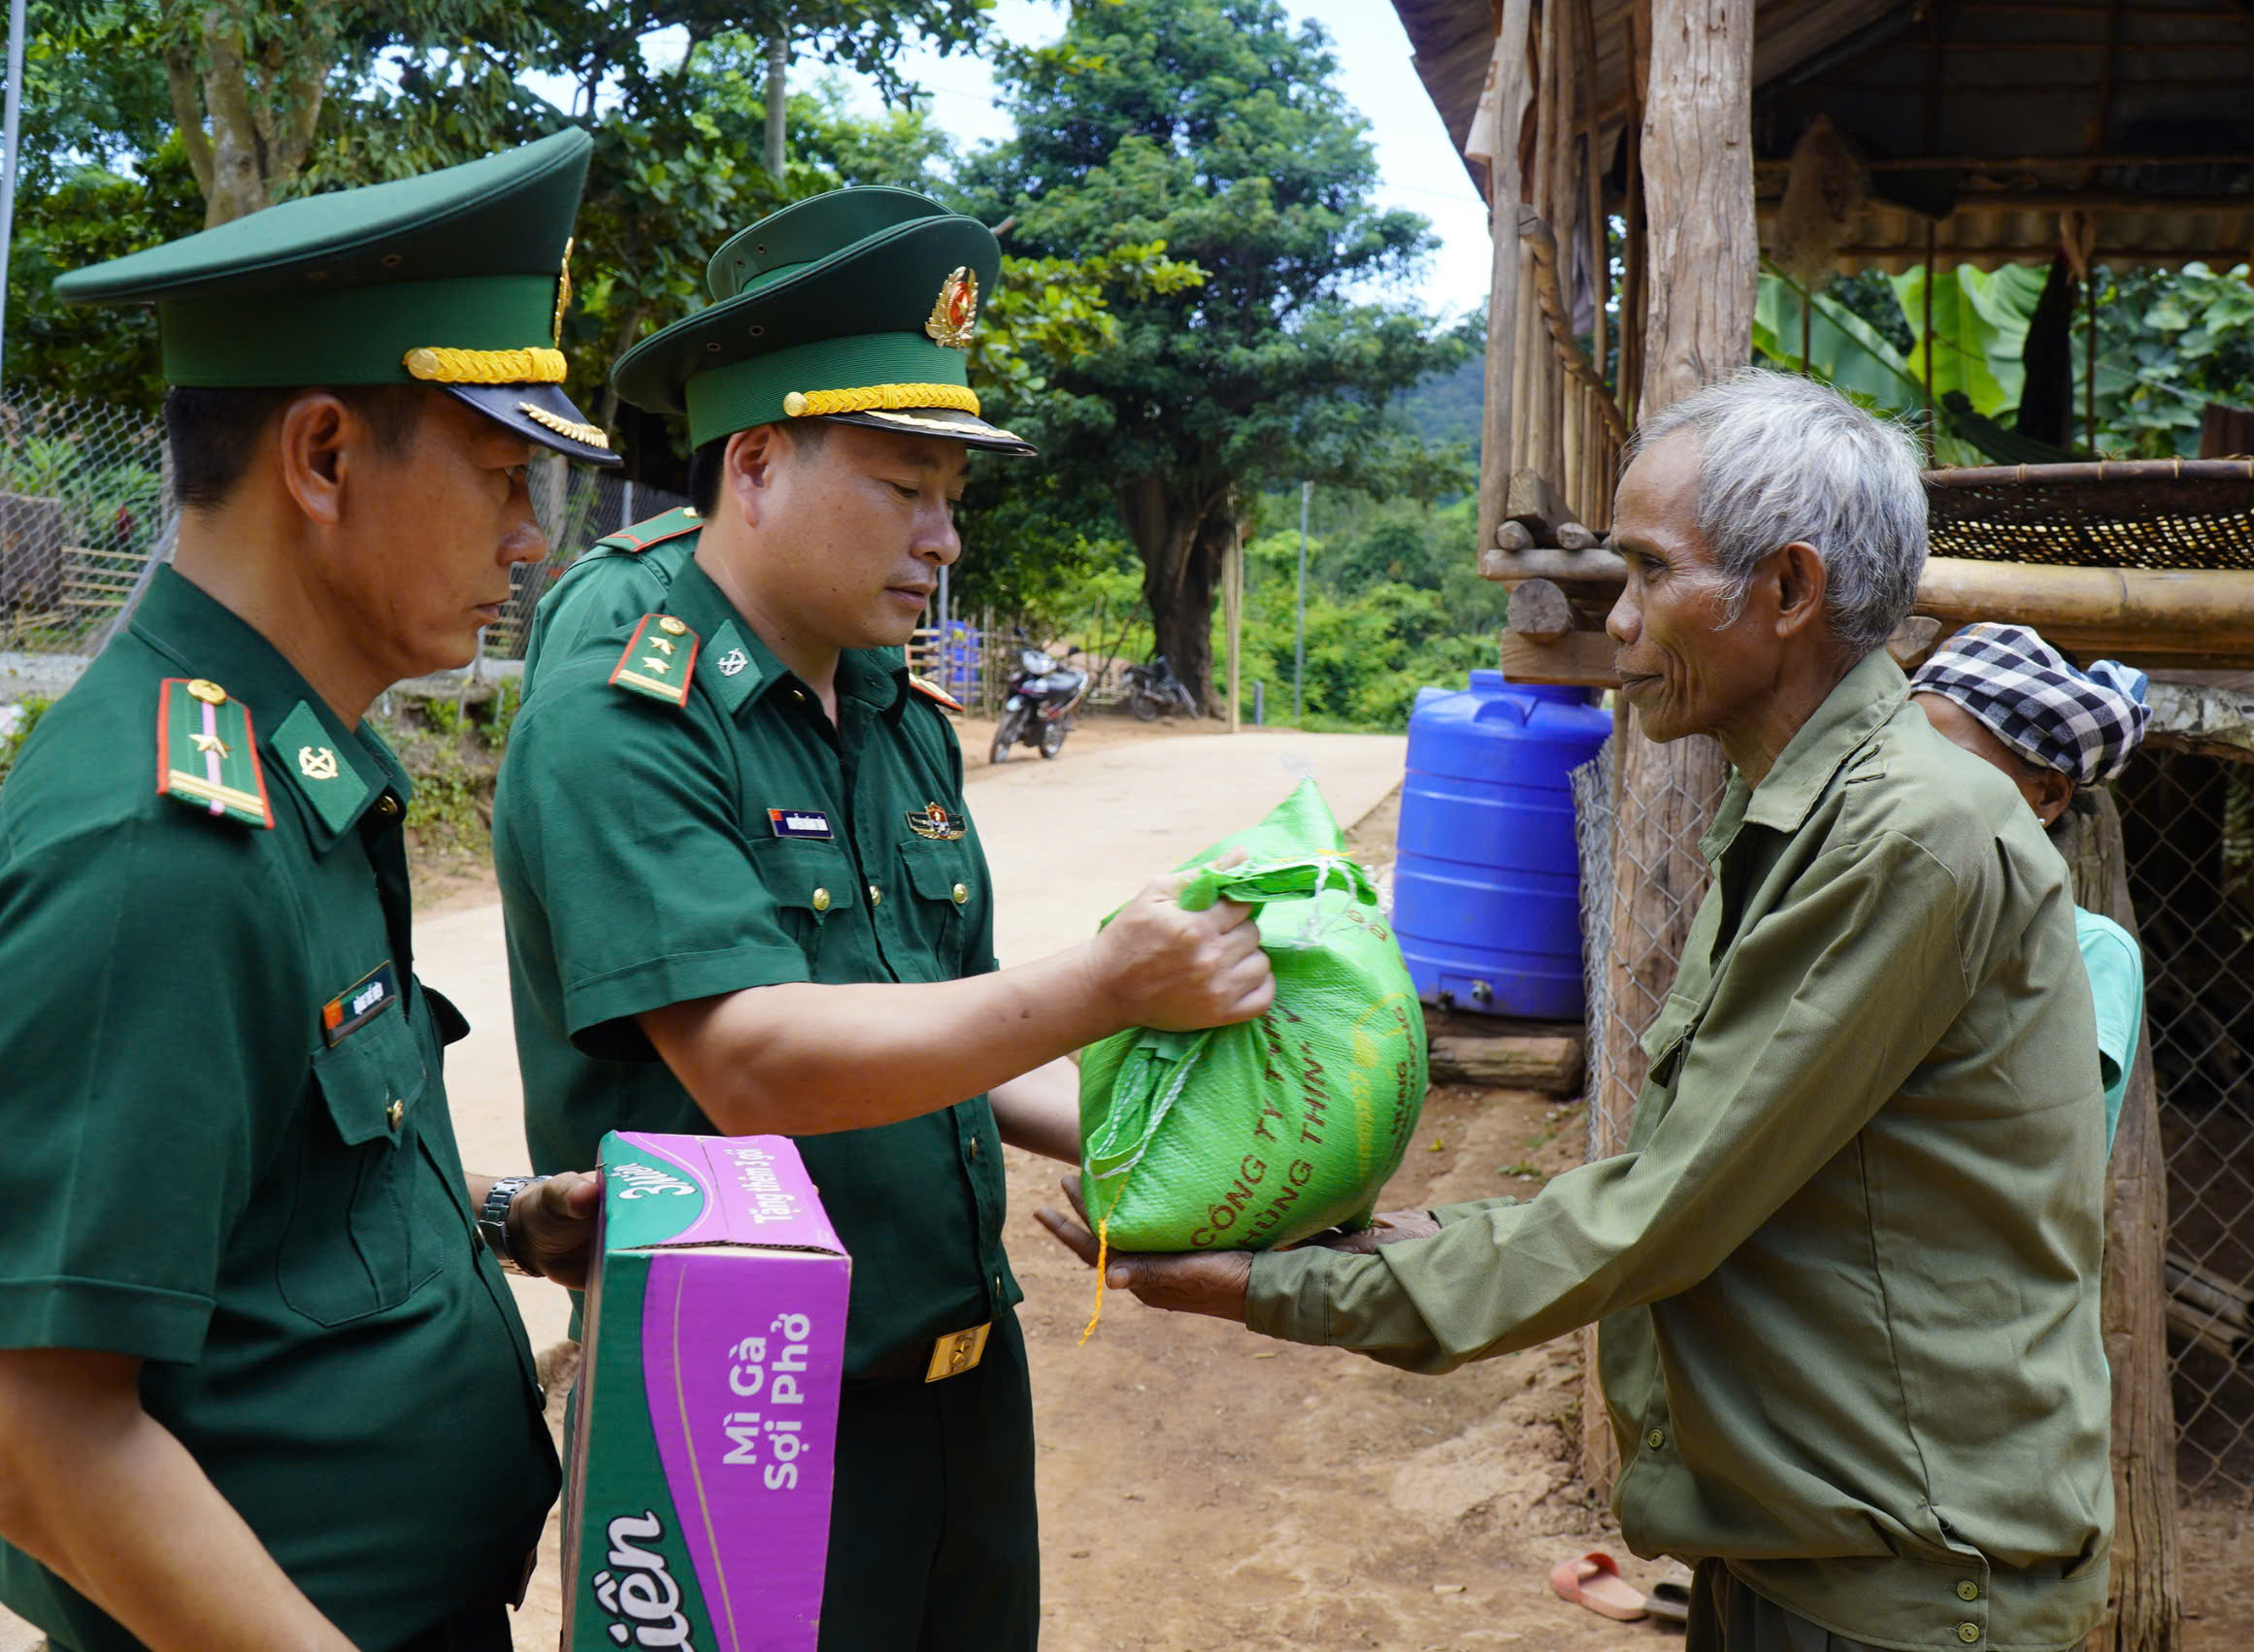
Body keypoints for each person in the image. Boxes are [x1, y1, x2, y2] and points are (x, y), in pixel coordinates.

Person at [1040, 370, 2116, 1652]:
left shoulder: (1909, 833)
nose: (1616, 617)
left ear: (1786, 591)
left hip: (1901, 1579)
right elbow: (1704, 1171)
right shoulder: (1806, 809)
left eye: (1654, 571)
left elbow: (1673, 1207)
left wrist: (1285, 1288)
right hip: (1815, 1542)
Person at [492, 186, 1273, 1652]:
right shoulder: (629, 710)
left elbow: (958, 1033)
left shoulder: (895, 714)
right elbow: (757, 1062)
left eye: (953, 499)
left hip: (958, 1374)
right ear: (760, 465)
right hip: (736, 1400)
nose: (942, 540)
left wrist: (1195, 1154)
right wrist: (1110, 982)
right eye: (903, 487)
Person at [0, 131, 618, 1652]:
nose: (534, 538)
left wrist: (494, 1216)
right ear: (325, 456)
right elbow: (34, 1427)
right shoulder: (165, 843)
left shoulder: (292, 765)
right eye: (500, 475)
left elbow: (255, 1183)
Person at [1910, 622, 2152, 1145]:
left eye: (1949, 761)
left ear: (2047, 795)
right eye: (1906, 758)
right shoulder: (1896, 904)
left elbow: (2036, 1145)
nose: (1910, 785)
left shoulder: (2093, 952)